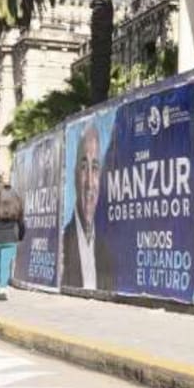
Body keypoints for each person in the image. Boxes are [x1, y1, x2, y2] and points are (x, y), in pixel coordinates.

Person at [61, 123, 112, 290]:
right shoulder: (62, 244)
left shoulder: (107, 251)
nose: (90, 183)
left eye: (95, 168)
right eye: (84, 168)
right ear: (75, 174)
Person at [0, 184, 26, 300]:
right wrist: (21, 237)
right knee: (5, 265)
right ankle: (3, 288)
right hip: (9, 239)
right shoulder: (16, 208)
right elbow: (22, 225)